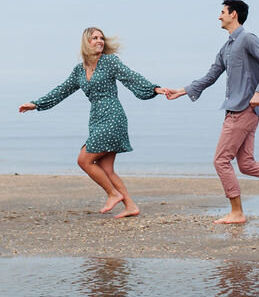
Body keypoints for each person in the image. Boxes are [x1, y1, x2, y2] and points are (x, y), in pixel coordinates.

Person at [164, 0, 259, 224]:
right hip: (237, 110)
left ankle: (237, 212)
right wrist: (181, 91)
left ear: (234, 14)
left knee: (221, 160)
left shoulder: (248, 39)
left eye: (222, 12)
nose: (219, 17)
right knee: (246, 164)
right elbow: (210, 76)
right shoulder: (227, 47)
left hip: (244, 109)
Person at [19, 27, 166, 219]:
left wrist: (153, 89)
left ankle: (113, 194)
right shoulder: (79, 70)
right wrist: (36, 104)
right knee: (106, 169)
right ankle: (130, 205)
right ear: (86, 43)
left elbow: (131, 76)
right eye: (94, 38)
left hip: (113, 116)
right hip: (96, 118)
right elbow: (61, 90)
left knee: (84, 160)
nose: (99, 41)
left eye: (101, 38)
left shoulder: (110, 61)